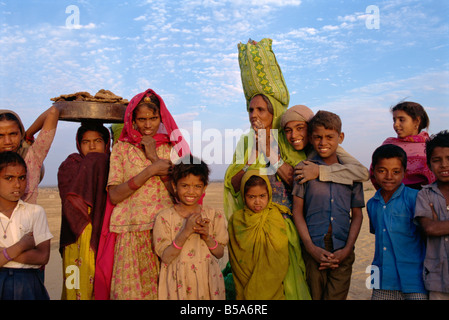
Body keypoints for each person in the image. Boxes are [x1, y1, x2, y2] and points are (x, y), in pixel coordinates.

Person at [95, 88, 190, 300]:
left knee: (166, 292)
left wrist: (154, 158)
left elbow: (181, 195)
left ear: (161, 118)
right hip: (130, 234)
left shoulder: (172, 148)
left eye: (153, 118)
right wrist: (149, 171)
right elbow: (114, 195)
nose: (148, 125)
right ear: (133, 120)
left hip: (165, 232)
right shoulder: (121, 149)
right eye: (142, 119)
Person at [292, 110, 364, 300]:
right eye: (317, 137)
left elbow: (357, 215)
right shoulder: (303, 169)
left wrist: (348, 249)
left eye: (329, 137)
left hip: (343, 247)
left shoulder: (351, 173)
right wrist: (310, 247)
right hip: (314, 247)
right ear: (311, 138)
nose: (323, 142)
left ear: (340, 137)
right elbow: (297, 212)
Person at [153, 155, 228, 300]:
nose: (191, 192)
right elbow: (166, 257)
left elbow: (219, 253)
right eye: (185, 186)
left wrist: (207, 236)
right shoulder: (164, 218)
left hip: (207, 280)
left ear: (204, 187)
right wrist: (186, 231)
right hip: (177, 284)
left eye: (197, 186)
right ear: (175, 186)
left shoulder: (213, 216)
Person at [228, 170, 311, 300]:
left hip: (272, 282)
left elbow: (279, 255)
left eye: (262, 196)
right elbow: (235, 255)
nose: (257, 202)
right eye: (251, 197)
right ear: (244, 197)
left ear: (269, 195)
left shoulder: (274, 216)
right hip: (244, 277)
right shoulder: (237, 220)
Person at [57, 122, 111, 300]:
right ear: (79, 145)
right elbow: (70, 202)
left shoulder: (114, 165)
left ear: (107, 143)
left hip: (107, 234)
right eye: (86, 142)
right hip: (77, 235)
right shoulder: (70, 165)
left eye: (98, 140)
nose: (93, 146)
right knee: (76, 286)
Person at [367, 144, 427, 300]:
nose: (388, 176)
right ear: (373, 172)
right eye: (382, 171)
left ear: (404, 173)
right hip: (381, 278)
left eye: (395, 172)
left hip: (415, 279)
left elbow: (426, 235)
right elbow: (379, 235)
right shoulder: (372, 203)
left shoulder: (416, 198)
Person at [0, 152, 53, 300]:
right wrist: (21, 246)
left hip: (28, 283)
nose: (17, 184)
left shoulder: (35, 212)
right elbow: (32, 254)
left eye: (22, 178)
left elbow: (42, 257)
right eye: (8, 178)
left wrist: (3, 254)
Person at [281, 104, 369, 185]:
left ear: (311, 129)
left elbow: (363, 173)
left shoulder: (328, 149)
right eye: (288, 130)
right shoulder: (285, 150)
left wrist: (320, 171)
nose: (293, 135)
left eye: (300, 128)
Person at [414, 130, 449, 300]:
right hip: (437, 279)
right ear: (429, 164)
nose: (444, 164)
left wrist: (441, 225)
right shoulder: (425, 194)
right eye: (437, 160)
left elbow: (436, 227)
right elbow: (429, 228)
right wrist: (434, 226)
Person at [0, 107, 59, 204]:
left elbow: (53, 111)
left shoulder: (32, 156)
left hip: (29, 218)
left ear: (20, 133)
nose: (8, 141)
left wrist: (28, 134)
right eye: (0, 135)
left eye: (13, 134)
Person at [370, 101, 435, 190]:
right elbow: (374, 172)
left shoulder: (430, 147)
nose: (396, 124)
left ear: (416, 121)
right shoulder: (389, 145)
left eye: (401, 119)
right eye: (394, 120)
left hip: (423, 199)